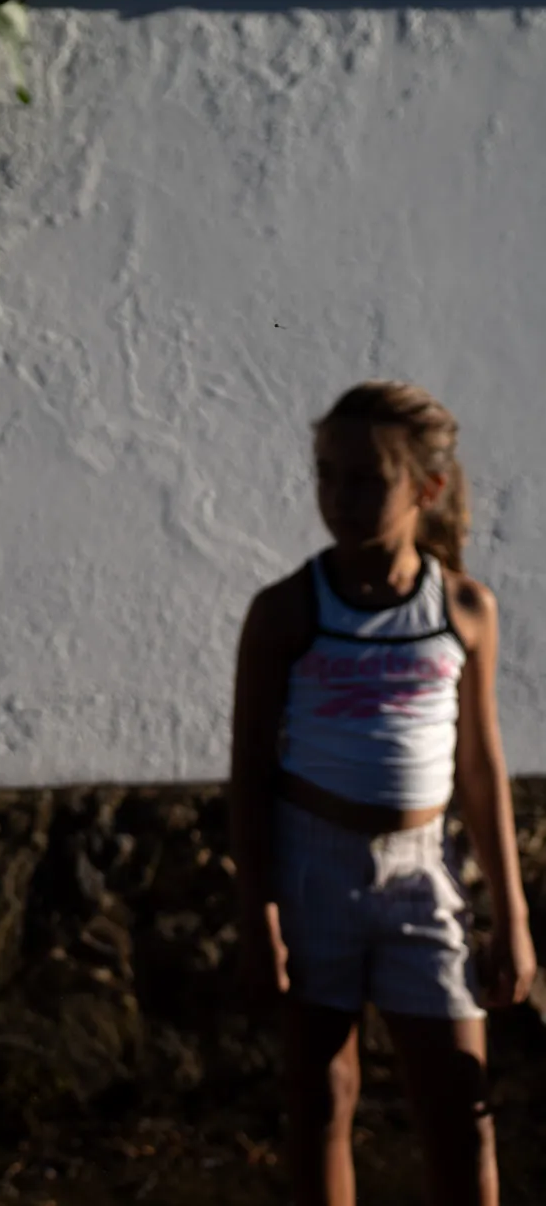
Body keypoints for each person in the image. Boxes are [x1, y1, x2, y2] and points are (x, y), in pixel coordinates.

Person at [229, 381, 536, 1206]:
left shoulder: (462, 610)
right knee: (322, 1100)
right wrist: (258, 911)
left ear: (425, 489)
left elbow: (479, 769)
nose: (338, 496)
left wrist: (511, 915)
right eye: (326, 474)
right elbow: (249, 772)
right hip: (310, 872)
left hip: (423, 877)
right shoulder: (287, 612)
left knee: (458, 1106)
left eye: (364, 479)